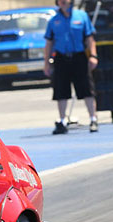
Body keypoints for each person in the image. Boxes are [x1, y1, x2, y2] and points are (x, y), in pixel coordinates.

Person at [44, 0, 98, 134]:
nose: (63, 2)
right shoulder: (53, 21)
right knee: (61, 91)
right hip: (61, 58)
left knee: (87, 89)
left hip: (79, 57)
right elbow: (49, 43)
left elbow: (89, 38)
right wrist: (46, 63)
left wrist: (93, 56)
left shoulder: (81, 16)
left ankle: (93, 119)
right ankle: (62, 121)